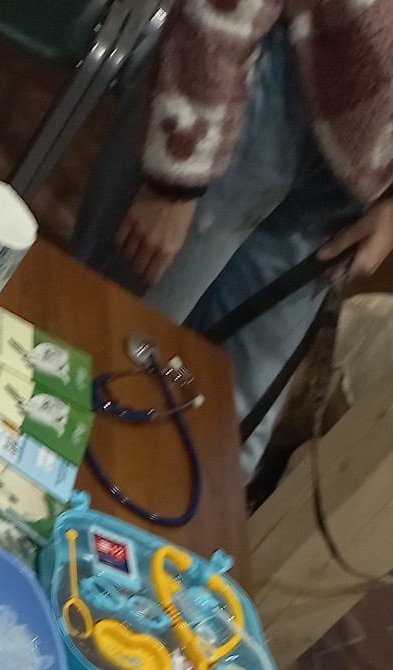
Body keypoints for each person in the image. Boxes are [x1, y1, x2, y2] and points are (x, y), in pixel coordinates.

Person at [72, 0, 393, 471]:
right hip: (254, 77)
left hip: (354, 181)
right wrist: (177, 174)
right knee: (97, 353)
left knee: (223, 445)